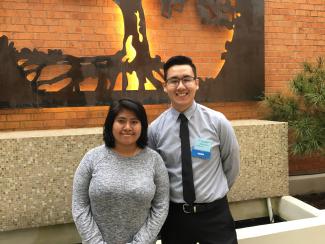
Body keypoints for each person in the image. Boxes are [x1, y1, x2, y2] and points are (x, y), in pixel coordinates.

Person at [148, 55, 240, 244]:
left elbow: (231, 164)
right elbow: (154, 175)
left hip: (215, 216)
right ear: (165, 86)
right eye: (173, 81)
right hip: (175, 218)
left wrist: (214, 195)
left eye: (186, 79)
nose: (181, 86)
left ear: (196, 83)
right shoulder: (155, 130)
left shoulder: (217, 122)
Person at [72, 99, 169, 244]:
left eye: (134, 122)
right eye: (121, 121)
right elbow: (79, 205)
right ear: (111, 124)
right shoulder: (92, 158)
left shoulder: (154, 160)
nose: (128, 127)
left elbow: (161, 206)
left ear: (142, 126)